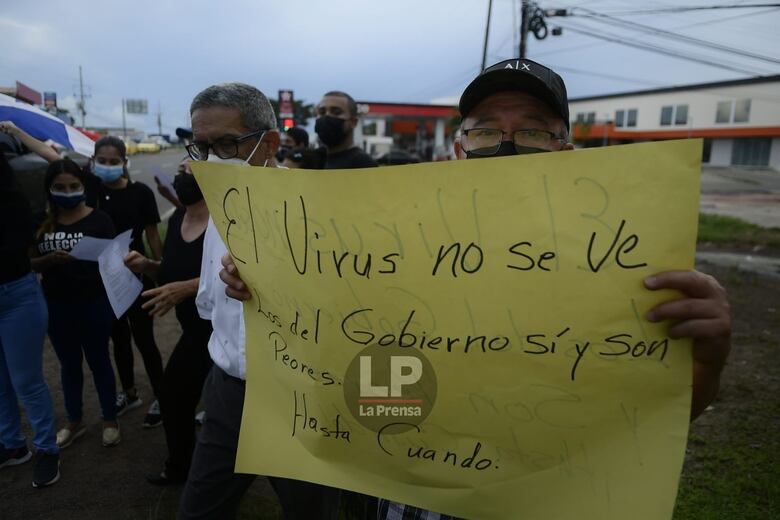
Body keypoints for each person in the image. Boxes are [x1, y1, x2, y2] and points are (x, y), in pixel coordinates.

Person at [218, 58, 732, 520]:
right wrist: (276, 288)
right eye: (486, 131)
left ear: (566, 151)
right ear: (459, 150)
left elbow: (639, 419)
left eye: (532, 132)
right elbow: (376, 383)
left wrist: (704, 363)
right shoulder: (391, 247)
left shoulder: (617, 263)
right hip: (408, 492)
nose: (506, 146)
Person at [178, 82, 342, 520]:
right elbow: (212, 304)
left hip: (302, 399)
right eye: (202, 146)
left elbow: (351, 307)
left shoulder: (319, 211)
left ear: (268, 142)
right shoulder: (220, 205)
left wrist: (278, 290)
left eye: (227, 144)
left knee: (312, 510)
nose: (212, 159)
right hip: (227, 394)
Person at [123, 157, 213, 486]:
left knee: (227, 412)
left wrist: (188, 288)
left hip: (224, 333)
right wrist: (146, 264)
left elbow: (245, 275)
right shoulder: (177, 218)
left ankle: (216, 478)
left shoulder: (226, 224)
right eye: (181, 171)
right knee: (175, 398)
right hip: (193, 332)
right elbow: (169, 271)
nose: (182, 178)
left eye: (190, 172)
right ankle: (181, 468)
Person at [30, 159, 120, 449]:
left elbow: (114, 261)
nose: (67, 192)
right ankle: (74, 421)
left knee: (100, 362)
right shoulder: (41, 224)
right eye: (59, 187)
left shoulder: (100, 220)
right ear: (49, 189)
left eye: (73, 186)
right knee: (69, 366)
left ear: (83, 187)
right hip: (57, 306)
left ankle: (109, 420)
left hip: (94, 303)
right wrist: (48, 260)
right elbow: (27, 262)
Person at [91, 136, 165, 428]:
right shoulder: (91, 192)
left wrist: (160, 270)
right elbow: (52, 159)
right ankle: (130, 393)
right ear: (93, 161)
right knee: (118, 339)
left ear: (124, 162)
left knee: (145, 339)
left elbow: (153, 234)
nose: (108, 167)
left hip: (136, 278)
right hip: (105, 280)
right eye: (103, 161)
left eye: (114, 162)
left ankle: (161, 395)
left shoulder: (141, 192)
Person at [0, 150, 60, 488]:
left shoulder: (13, 201)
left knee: (26, 380)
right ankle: (12, 446)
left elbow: (14, 249)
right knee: (0, 382)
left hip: (16, 297)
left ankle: (47, 448)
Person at [315, 91, 377, 169]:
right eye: (322, 112)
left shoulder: (362, 163)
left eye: (336, 112)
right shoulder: (314, 160)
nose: (327, 116)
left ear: (353, 122)